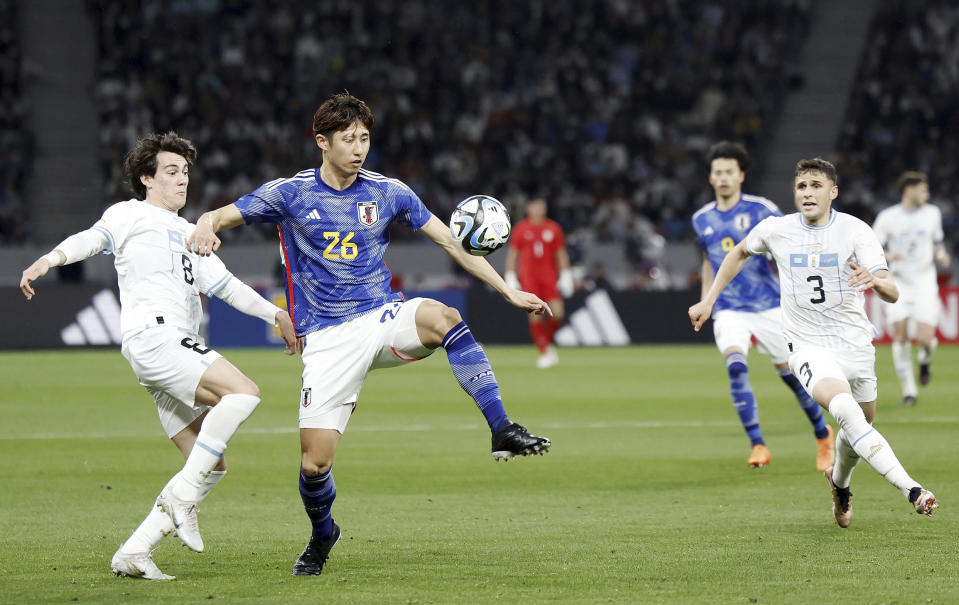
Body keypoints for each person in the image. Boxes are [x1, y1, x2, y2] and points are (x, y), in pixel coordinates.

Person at [185, 92, 552, 576]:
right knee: (314, 464)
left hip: (382, 317)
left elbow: (450, 241)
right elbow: (216, 215)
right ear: (322, 141)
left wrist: (508, 289)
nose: (359, 148)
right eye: (348, 139)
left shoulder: (389, 193)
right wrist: (205, 228)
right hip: (326, 339)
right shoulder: (291, 193)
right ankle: (322, 534)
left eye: (365, 138)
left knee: (444, 318)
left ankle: (501, 428)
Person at [19, 132, 297, 580]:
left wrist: (276, 313)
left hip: (165, 349)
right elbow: (92, 239)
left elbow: (227, 288)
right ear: (146, 178)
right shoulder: (131, 214)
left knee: (210, 464)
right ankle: (180, 498)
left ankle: (135, 551)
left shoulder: (193, 232)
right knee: (243, 393)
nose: (182, 180)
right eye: (171, 172)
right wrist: (49, 260)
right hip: (156, 338)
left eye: (185, 172)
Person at [689, 157, 939, 527]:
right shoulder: (776, 229)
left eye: (816, 186)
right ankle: (912, 489)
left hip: (855, 346)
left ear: (832, 192)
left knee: (859, 428)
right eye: (802, 186)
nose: (807, 193)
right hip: (808, 347)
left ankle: (839, 484)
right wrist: (709, 300)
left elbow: (891, 289)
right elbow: (738, 252)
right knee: (846, 412)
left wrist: (874, 281)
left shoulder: (856, 231)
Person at [691, 142, 834, 470]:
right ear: (711, 178)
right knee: (737, 368)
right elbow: (709, 262)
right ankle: (758, 444)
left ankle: (821, 434)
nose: (723, 177)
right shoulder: (701, 219)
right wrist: (706, 300)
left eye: (729, 171)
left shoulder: (762, 210)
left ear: (740, 175)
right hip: (729, 308)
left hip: (770, 306)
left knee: (792, 377)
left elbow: (787, 251)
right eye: (718, 172)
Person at [872, 171, 950, 406]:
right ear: (909, 190)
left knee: (926, 338)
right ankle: (909, 391)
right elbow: (871, 247)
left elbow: (937, 242)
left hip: (925, 280)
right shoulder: (888, 217)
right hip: (899, 282)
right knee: (901, 335)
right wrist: (888, 255)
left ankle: (925, 361)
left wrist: (941, 254)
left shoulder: (933, 214)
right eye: (923, 189)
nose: (927, 193)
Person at [504, 196, 574, 368]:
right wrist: (510, 275)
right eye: (535, 206)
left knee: (557, 313)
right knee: (535, 314)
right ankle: (544, 352)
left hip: (549, 276)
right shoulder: (521, 229)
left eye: (542, 206)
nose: (539, 209)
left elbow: (560, 253)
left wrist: (566, 274)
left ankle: (547, 342)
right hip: (529, 277)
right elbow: (513, 254)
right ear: (529, 208)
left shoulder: (553, 228)